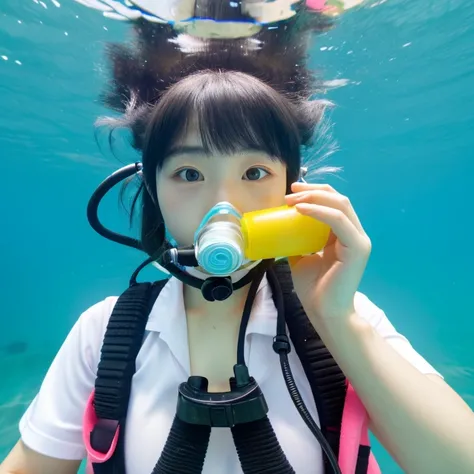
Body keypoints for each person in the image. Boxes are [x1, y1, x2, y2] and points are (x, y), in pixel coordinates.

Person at [2, 3, 474, 474]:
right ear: (152, 188)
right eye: (189, 173)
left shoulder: (342, 316)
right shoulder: (103, 334)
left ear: (294, 188)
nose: (222, 203)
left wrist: (338, 320)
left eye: (254, 172)